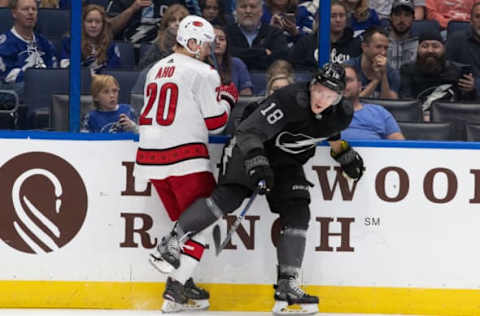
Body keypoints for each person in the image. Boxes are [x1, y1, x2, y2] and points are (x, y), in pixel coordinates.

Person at [151, 62, 365, 315]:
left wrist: (342, 152)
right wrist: (256, 160)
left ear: (339, 98)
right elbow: (248, 130)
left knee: (298, 211)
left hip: (286, 162)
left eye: (329, 95)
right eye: (318, 90)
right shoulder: (290, 99)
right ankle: (172, 241)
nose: (321, 98)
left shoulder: (342, 112)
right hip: (249, 148)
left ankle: (287, 284)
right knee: (228, 198)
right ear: (311, 85)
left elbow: (327, 131)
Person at [134, 15, 238, 313]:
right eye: (204, 45)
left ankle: (185, 278)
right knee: (205, 222)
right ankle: (175, 290)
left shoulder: (157, 68)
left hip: (150, 159)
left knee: (188, 224)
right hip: (184, 157)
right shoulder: (203, 71)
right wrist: (228, 98)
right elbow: (216, 122)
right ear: (191, 43)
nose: (208, 51)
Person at [400, 29, 477, 116]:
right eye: (425, 46)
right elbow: (406, 102)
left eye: (435, 46)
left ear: (444, 49)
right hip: (417, 119)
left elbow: (467, 106)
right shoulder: (407, 70)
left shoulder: (458, 71)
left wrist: (470, 90)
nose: (430, 50)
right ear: (417, 50)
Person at [0, 0, 57, 100]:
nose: (31, 13)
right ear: (14, 13)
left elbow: (54, 72)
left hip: (47, 97)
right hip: (17, 99)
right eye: (25, 9)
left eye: (34, 9)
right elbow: (7, 80)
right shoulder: (4, 44)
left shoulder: (45, 43)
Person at [290, 0, 361, 70]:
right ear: (321, 18)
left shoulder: (356, 44)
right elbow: (296, 69)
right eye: (333, 16)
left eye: (341, 16)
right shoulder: (306, 42)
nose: (338, 20)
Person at [341, 64, 405, 140]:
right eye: (338, 81)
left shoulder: (380, 112)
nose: (343, 84)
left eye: (348, 80)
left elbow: (400, 145)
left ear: (359, 86)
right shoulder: (326, 113)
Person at [226, 0, 290, 71]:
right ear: (236, 11)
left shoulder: (274, 33)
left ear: (261, 12)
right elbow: (227, 55)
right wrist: (262, 52)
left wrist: (242, 55)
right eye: (243, 7)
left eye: (253, 7)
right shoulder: (226, 33)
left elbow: (280, 60)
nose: (248, 11)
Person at [105, 0, 201, 45]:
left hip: (164, 50)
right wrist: (132, 9)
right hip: (127, 50)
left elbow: (192, 27)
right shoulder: (123, 1)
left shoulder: (177, 2)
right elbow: (108, 30)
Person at [60, 4, 121, 73]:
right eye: (89, 21)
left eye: (98, 22)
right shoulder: (71, 42)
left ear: (103, 24)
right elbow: (65, 69)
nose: (93, 25)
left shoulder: (110, 45)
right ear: (82, 23)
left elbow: (114, 73)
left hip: (102, 83)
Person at [346, 26, 400, 99]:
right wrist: (376, 80)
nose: (383, 52)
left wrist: (383, 75)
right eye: (378, 47)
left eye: (386, 48)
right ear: (364, 47)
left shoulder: (391, 73)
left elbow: (390, 105)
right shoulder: (349, 69)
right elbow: (350, 103)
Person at [137, 3, 189, 69]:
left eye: (181, 20)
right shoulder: (159, 44)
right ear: (167, 23)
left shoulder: (192, 44)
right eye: (173, 20)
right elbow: (142, 67)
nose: (177, 23)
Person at [213, 24, 253, 96]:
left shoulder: (237, 64)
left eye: (221, 39)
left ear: (227, 44)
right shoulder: (199, 65)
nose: (217, 42)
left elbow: (246, 92)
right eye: (213, 39)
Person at [446, 2, 480, 79]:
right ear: (471, 21)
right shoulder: (456, 40)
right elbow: (447, 70)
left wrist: (476, 85)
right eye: (478, 17)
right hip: (462, 89)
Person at [387, 0, 419, 71]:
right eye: (397, 14)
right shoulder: (381, 41)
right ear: (390, 17)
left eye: (407, 15)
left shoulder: (420, 44)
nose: (402, 19)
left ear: (413, 18)